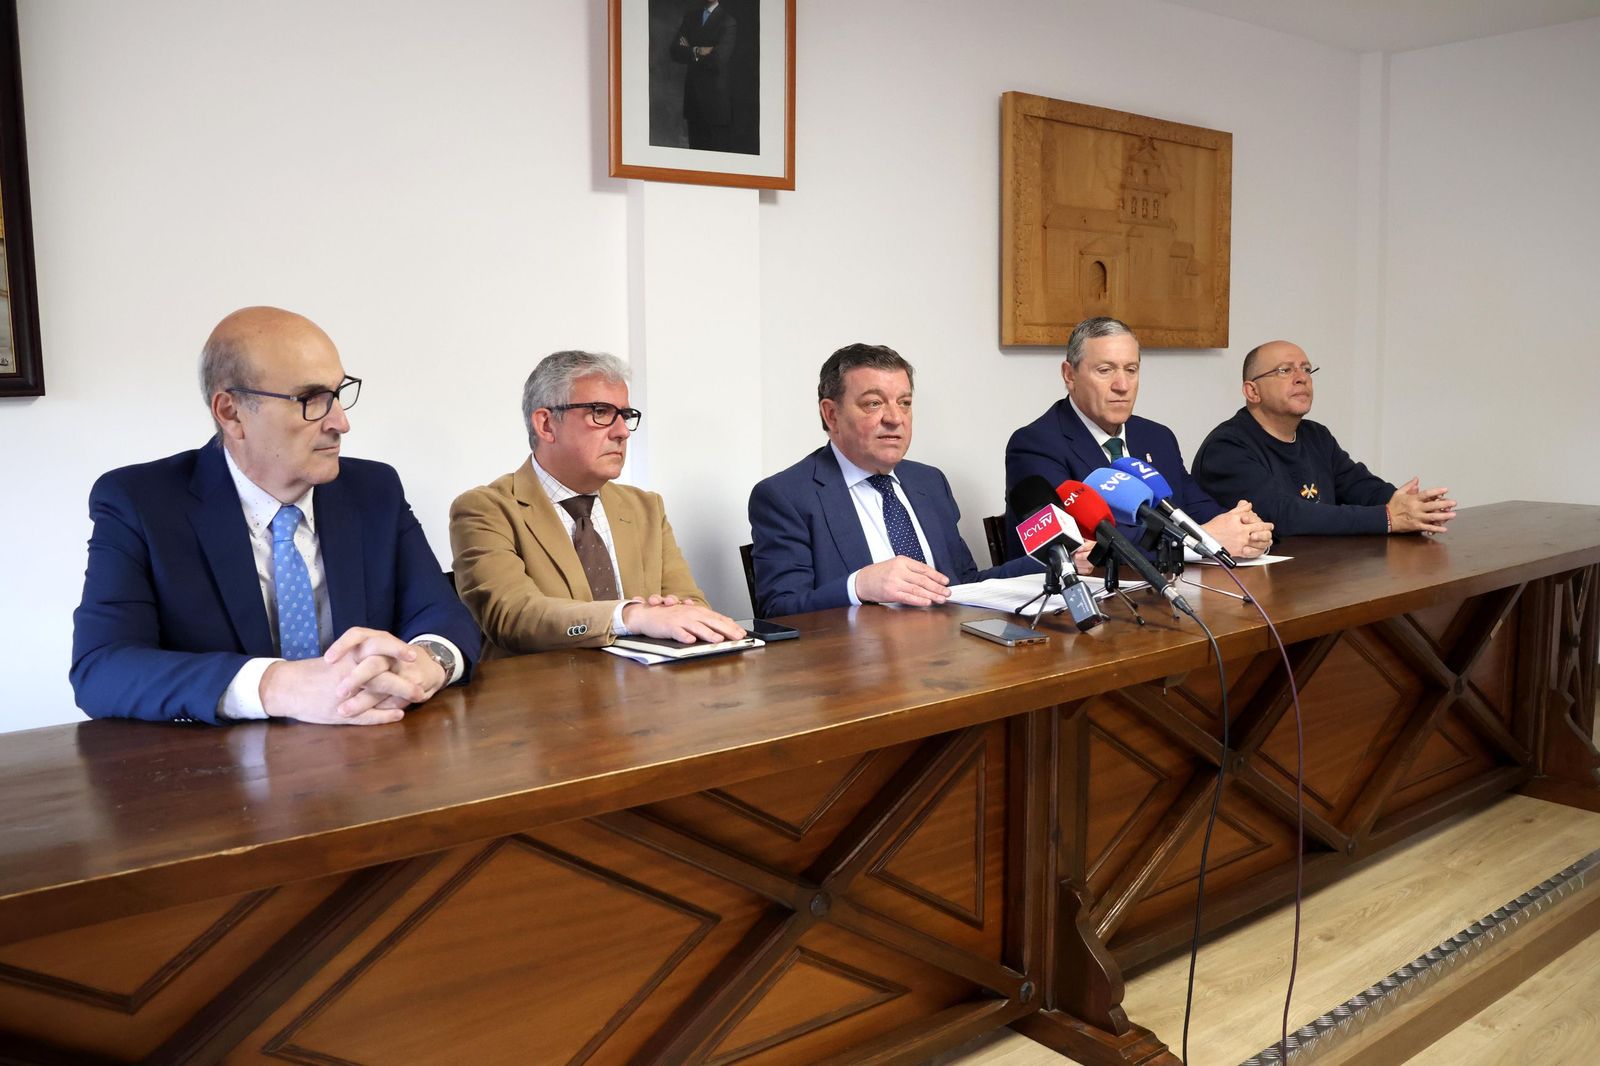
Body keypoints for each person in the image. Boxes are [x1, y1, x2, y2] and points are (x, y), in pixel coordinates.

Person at [70, 306, 479, 726]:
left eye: (338, 394)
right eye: (311, 400)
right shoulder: (140, 503)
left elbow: (444, 615)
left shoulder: (374, 490)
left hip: (371, 756)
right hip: (219, 775)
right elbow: (101, 669)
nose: (341, 422)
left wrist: (423, 664)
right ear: (231, 413)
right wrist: (280, 685)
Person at [450, 350, 744, 655]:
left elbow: (689, 603)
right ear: (546, 425)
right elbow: (513, 616)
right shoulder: (484, 509)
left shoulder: (646, 507)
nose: (621, 433)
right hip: (542, 693)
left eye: (626, 416)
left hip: (644, 692)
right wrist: (630, 616)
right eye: (600, 412)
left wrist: (674, 613)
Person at [748, 343, 1043, 617]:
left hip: (948, 653)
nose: (895, 418)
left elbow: (965, 583)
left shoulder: (929, 482)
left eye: (904, 403)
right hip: (859, 663)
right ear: (831, 414)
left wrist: (1051, 563)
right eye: (874, 403)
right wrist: (859, 586)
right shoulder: (786, 496)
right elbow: (779, 610)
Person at [1005, 316, 1274, 559]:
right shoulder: (1035, 446)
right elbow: (1082, 544)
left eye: (1131, 370)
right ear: (1069, 374)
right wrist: (1198, 540)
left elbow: (1196, 509)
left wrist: (1243, 530)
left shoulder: (1156, 437)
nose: (1122, 385)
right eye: (1105, 370)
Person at [1193, 340, 1456, 536]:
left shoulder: (1316, 435)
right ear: (1252, 391)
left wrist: (1413, 507)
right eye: (1285, 371)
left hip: (1324, 573)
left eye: (1306, 369)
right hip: (1263, 587)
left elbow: (1360, 487)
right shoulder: (1226, 448)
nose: (1301, 379)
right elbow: (1281, 516)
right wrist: (1387, 517)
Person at [669, 0, 737, 151]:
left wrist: (689, 49)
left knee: (716, 161)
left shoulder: (728, 21)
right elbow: (674, 51)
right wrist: (698, 50)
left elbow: (718, 60)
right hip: (694, 101)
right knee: (695, 158)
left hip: (716, 106)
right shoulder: (691, 17)